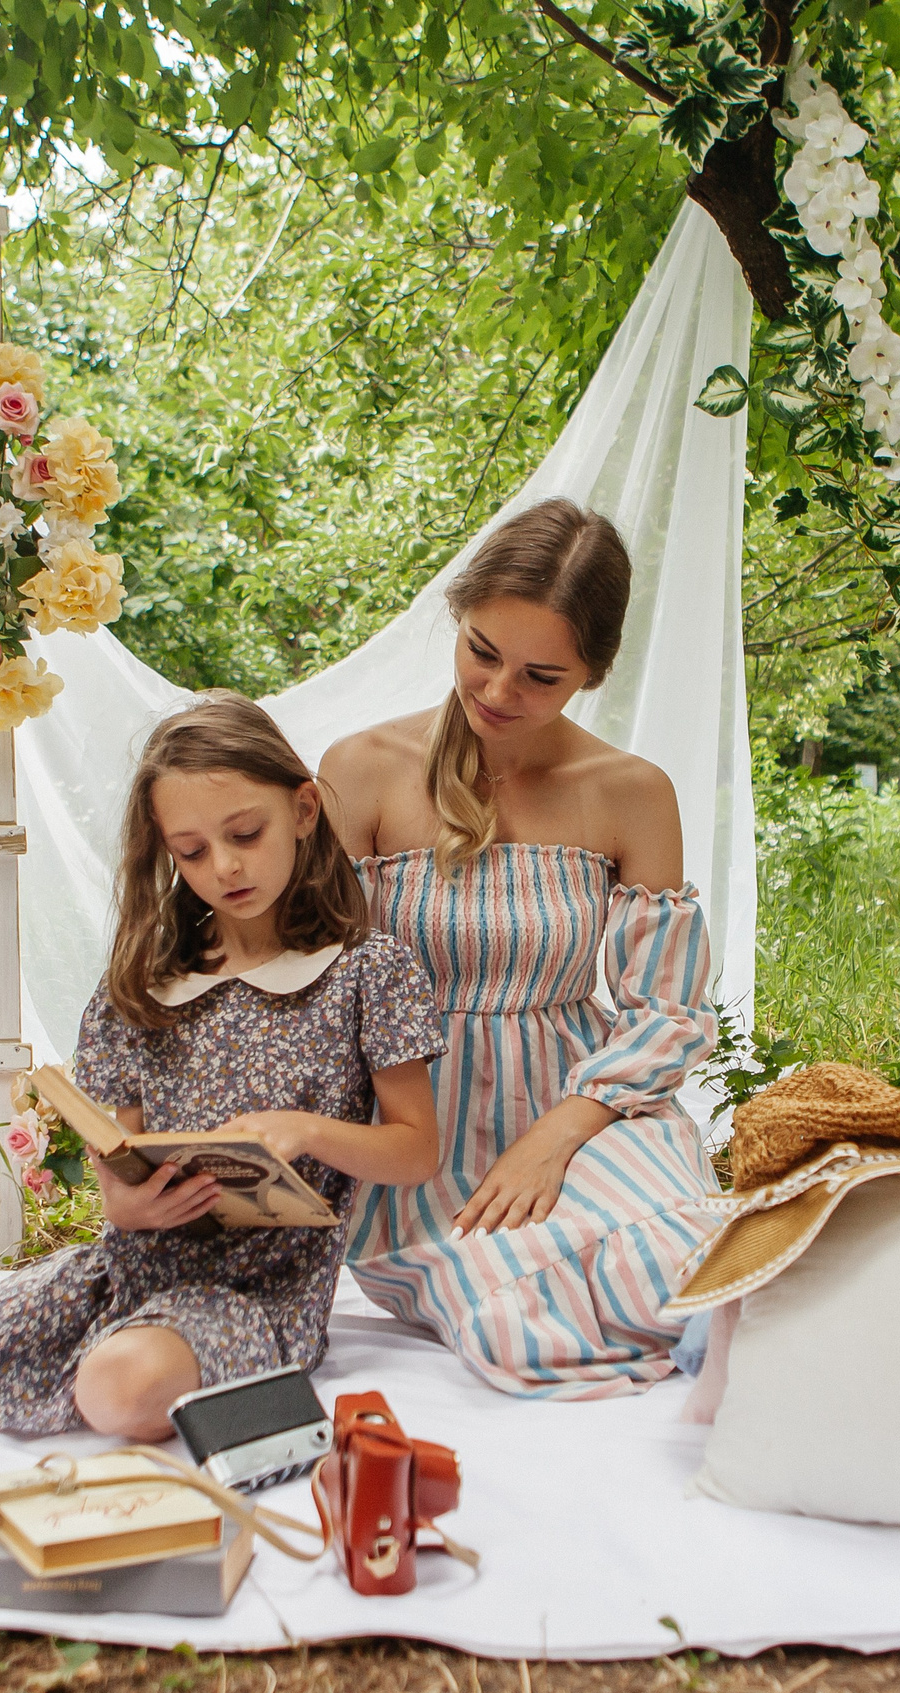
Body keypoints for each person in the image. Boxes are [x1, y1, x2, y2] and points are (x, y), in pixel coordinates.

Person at [0, 690, 446, 1440]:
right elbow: (117, 1176)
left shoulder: (367, 971)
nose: (225, 866)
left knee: (119, 1389)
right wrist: (132, 1205)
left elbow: (416, 1149)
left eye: (245, 833)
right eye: (192, 851)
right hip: (123, 1274)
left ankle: (141, 1372)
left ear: (301, 811)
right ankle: (102, 1354)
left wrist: (307, 1131)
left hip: (256, 1296)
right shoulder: (140, 985)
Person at [320, 497, 729, 1397]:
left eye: (541, 676)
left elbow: (668, 1010)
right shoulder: (362, 769)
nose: (499, 693)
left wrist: (557, 1136)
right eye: (482, 652)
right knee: (514, 1328)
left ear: (592, 672)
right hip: (420, 1127)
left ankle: (754, 1362)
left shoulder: (629, 792)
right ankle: (713, 1367)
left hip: (589, 1106)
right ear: (457, 620)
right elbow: (313, 985)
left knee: (680, 1258)